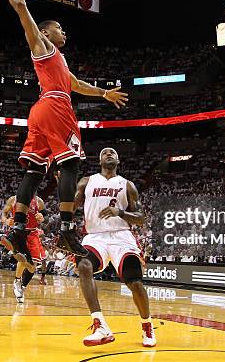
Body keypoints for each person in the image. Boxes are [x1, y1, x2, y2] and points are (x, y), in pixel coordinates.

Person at [0, 0, 128, 267]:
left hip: (40, 111)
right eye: (59, 27)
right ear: (46, 32)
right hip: (57, 107)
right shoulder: (42, 44)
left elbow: (77, 84)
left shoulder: (58, 58)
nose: (64, 31)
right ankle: (68, 228)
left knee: (34, 172)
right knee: (70, 164)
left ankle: (18, 228)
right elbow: (20, 7)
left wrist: (104, 94)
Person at [74, 148, 156, 347]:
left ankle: (147, 325)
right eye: (104, 153)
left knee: (134, 282)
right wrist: (63, 186)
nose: (109, 154)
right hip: (95, 236)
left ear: (118, 160)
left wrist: (119, 212)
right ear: (99, 159)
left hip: (121, 236)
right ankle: (100, 324)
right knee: (84, 265)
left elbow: (141, 219)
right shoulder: (87, 181)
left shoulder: (127, 185)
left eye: (112, 153)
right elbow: (71, 205)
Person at [1, 195, 48, 304]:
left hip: (32, 233)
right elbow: (3, 214)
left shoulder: (38, 201)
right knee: (23, 259)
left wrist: (42, 218)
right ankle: (17, 281)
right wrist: (6, 221)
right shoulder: (14, 199)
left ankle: (22, 286)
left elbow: (46, 218)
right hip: (19, 232)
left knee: (33, 267)